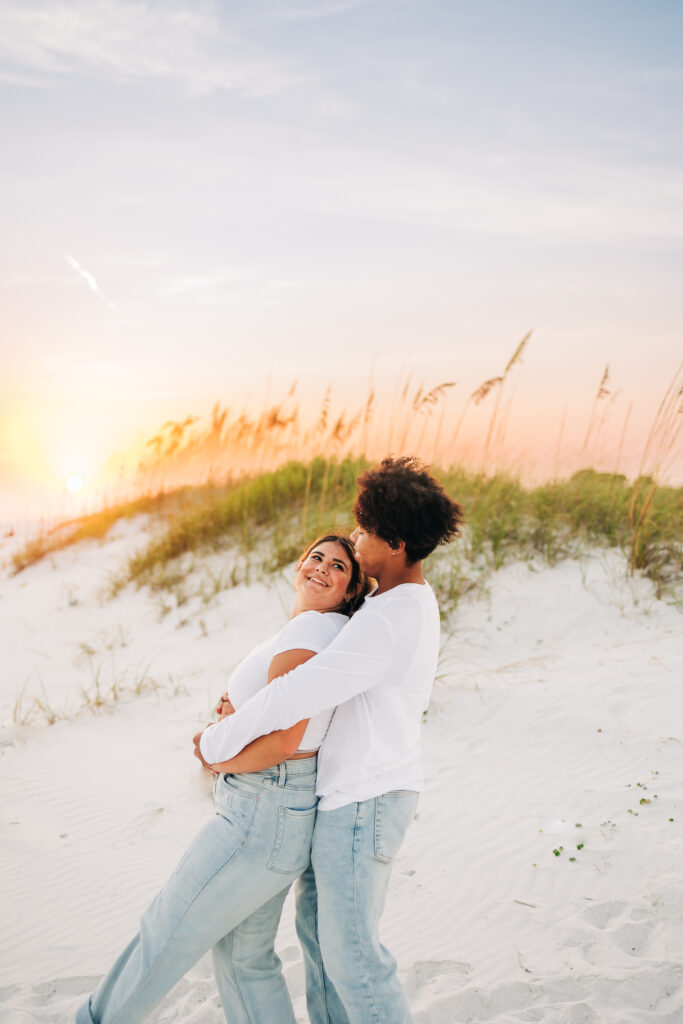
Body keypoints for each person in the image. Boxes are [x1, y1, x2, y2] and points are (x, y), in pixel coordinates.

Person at [199, 456, 464, 1024]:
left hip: (365, 802)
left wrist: (216, 743)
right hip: (347, 800)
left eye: (365, 531)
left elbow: (295, 693)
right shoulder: (393, 604)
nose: (356, 538)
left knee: (353, 959)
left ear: (394, 544)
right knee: (322, 949)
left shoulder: (388, 620)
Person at [76, 534, 369, 1024]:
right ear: (299, 564)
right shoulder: (311, 630)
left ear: (349, 591)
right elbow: (278, 715)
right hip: (276, 816)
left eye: (338, 566)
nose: (321, 567)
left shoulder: (310, 634)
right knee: (243, 960)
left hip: (260, 814)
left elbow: (285, 739)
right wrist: (238, 715)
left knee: (167, 930)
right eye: (316, 556)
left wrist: (217, 759)